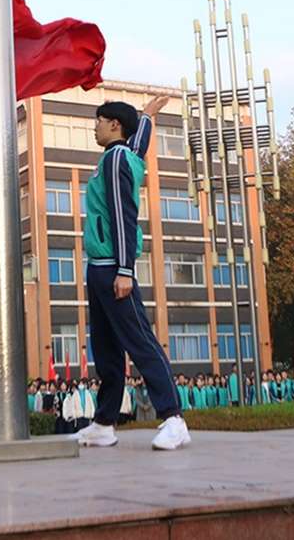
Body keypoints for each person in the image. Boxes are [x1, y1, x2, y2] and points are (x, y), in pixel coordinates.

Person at [70, 96, 189, 451]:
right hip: (99, 267)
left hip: (113, 266)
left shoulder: (115, 158)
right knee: (106, 348)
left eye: (99, 121)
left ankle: (173, 418)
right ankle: (104, 423)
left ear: (114, 125)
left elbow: (123, 214)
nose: (94, 127)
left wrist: (125, 270)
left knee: (140, 342)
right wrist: (147, 117)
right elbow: (138, 145)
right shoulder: (124, 154)